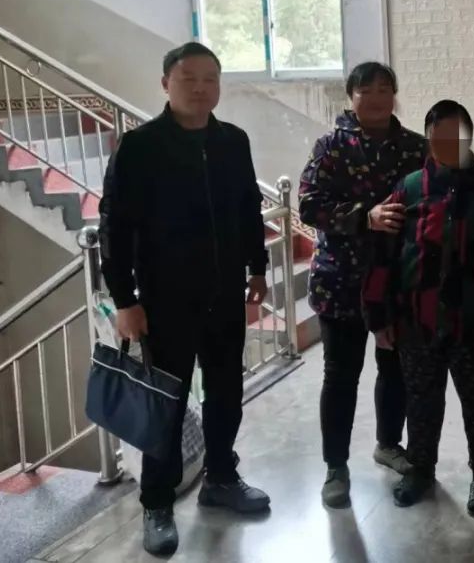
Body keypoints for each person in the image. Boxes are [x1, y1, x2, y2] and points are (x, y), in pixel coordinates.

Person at [99, 42, 271, 556]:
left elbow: (248, 208)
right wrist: (125, 300)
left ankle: (221, 478)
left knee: (226, 394)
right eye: (188, 78)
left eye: (210, 79)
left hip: (224, 295)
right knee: (165, 406)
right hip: (164, 301)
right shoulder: (140, 147)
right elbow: (114, 228)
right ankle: (157, 503)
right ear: (165, 83)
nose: (200, 88)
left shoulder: (232, 141)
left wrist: (258, 268)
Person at [362, 100, 474, 516]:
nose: (449, 145)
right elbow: (384, 255)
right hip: (417, 320)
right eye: (439, 137)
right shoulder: (408, 188)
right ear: (428, 139)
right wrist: (378, 316)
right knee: (422, 400)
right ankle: (421, 469)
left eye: (457, 136)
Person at [298, 62, 426, 509]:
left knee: (396, 370)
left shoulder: (416, 147)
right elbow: (309, 206)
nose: (376, 98)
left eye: (384, 89)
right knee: (341, 375)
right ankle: (336, 465)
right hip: (341, 281)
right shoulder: (331, 147)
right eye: (365, 90)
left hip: (398, 280)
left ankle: (388, 444)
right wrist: (363, 217)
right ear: (350, 96)